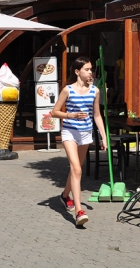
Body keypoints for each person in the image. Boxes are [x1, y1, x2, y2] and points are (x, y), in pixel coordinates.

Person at [51, 56, 107, 227]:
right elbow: (54, 112)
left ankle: (64, 196)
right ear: (77, 72)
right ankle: (78, 211)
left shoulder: (95, 91)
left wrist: (103, 137)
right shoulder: (68, 90)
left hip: (86, 133)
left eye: (91, 69)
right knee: (76, 168)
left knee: (77, 170)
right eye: (87, 69)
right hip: (69, 132)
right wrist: (71, 115)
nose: (90, 72)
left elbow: (97, 115)